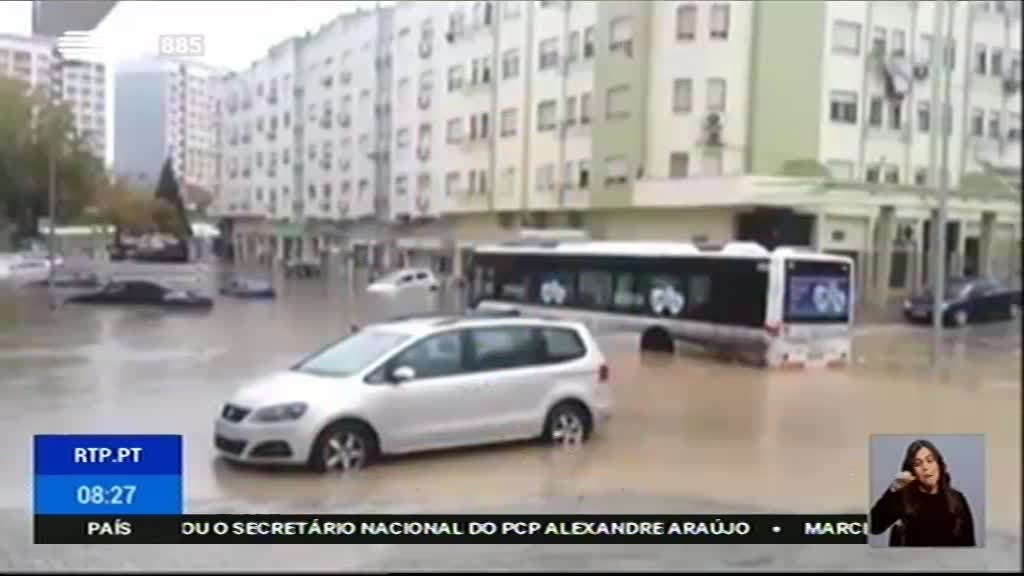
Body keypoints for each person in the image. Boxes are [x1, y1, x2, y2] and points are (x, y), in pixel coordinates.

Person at [870, 439, 976, 547]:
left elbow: (969, 544)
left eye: (930, 460)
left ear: (939, 464)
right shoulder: (902, 498)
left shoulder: (957, 499)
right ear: (912, 470)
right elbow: (873, 526)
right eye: (918, 464)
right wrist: (894, 488)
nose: (925, 467)